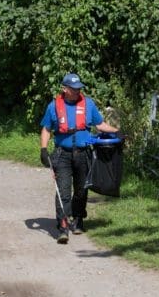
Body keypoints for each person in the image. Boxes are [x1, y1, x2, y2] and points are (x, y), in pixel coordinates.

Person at [39, 73, 119, 243]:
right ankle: (62, 226)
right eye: (74, 89)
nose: (77, 92)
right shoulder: (53, 106)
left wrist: (116, 131)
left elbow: (100, 124)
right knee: (63, 190)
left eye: (79, 89)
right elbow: (46, 129)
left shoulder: (88, 104)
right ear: (65, 89)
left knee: (82, 190)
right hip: (63, 155)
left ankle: (78, 219)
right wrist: (44, 150)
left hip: (83, 154)